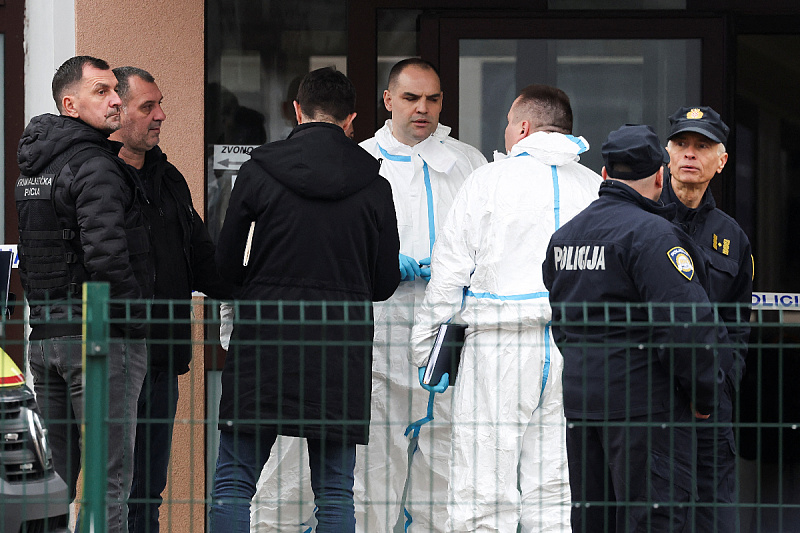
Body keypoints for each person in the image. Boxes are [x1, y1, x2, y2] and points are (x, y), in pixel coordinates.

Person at [251, 58, 486, 532]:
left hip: (448, 334)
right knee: (373, 466)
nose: (423, 109)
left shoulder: (467, 164)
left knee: (443, 466)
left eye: (433, 99)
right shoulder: (360, 162)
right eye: (411, 98)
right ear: (387, 100)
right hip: (378, 331)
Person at [209, 67, 400, 533]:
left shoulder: (257, 172)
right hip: (340, 349)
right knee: (335, 495)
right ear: (352, 119)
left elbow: (224, 269)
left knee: (234, 483)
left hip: (262, 344)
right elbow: (383, 283)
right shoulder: (375, 185)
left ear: (297, 110)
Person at [408, 84, 600, 532]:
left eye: (509, 126)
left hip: (498, 347)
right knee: (555, 490)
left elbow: (449, 275)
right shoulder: (595, 188)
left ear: (525, 127)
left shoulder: (489, 181)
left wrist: (427, 351)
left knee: (483, 485)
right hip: (573, 350)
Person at [542, 124, 733, 532]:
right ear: (661, 176)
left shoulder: (565, 237)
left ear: (606, 174)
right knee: (653, 520)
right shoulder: (653, 236)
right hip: (645, 411)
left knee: (595, 520)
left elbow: (562, 322)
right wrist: (704, 395)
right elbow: (689, 329)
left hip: (582, 406)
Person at [15, 55, 152, 533]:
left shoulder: (35, 167)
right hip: (97, 342)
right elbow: (108, 260)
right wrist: (139, 325)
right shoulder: (95, 166)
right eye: (101, 92)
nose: (116, 100)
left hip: (45, 339)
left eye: (116, 90)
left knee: (51, 483)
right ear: (70, 104)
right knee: (108, 485)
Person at [109, 66, 233, 533]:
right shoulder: (97, 179)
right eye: (148, 107)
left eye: (160, 104)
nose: (161, 115)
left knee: (148, 491)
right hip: (113, 359)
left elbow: (203, 261)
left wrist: (259, 285)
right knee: (111, 490)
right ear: (115, 110)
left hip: (163, 358)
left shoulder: (170, 179)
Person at [661, 106, 753, 531]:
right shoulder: (642, 220)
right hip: (651, 398)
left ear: (722, 162)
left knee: (714, 515)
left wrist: (727, 376)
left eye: (702, 146)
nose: (689, 154)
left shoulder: (732, 236)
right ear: (667, 153)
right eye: (681, 144)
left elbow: (738, 318)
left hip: (710, 406)